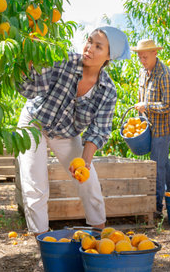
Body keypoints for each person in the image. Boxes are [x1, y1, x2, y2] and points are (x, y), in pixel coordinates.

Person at [16, 26, 131, 236]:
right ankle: (41, 239)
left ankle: (99, 234)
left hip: (66, 133)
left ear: (108, 56)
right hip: (35, 123)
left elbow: (99, 130)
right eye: (89, 41)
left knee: (89, 181)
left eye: (98, 47)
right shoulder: (64, 60)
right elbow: (31, 90)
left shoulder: (107, 90)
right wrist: (28, 67)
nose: (89, 48)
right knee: (35, 183)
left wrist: (85, 161)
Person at [131, 39, 170, 218]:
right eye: (139, 57)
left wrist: (147, 105)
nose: (142, 60)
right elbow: (141, 96)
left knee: (156, 166)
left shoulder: (164, 74)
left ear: (155, 54)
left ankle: (157, 208)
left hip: (162, 129)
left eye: (145, 57)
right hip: (149, 126)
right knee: (163, 162)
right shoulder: (143, 72)